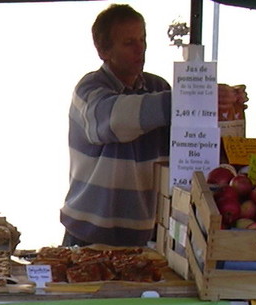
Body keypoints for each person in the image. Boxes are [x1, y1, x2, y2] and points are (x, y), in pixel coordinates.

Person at [59, 4, 237, 247]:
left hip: (146, 237)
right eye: (129, 42)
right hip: (87, 237)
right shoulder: (89, 90)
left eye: (143, 39)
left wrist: (218, 112)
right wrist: (188, 98)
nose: (140, 49)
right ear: (103, 50)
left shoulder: (159, 89)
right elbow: (113, 119)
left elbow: (185, 145)